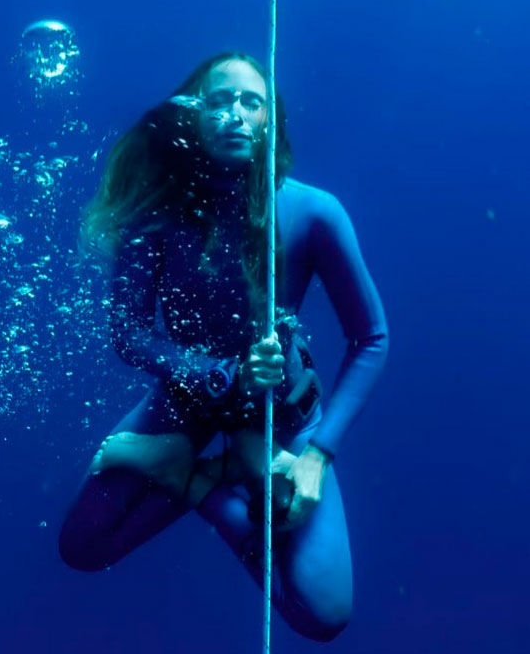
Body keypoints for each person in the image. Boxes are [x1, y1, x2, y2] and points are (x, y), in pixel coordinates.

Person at [58, 52, 388, 642]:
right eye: (218, 101)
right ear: (193, 115)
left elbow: (371, 339)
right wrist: (217, 373)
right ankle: (203, 469)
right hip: (188, 399)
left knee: (324, 615)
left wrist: (318, 456)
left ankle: (201, 478)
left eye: (251, 102)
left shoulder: (313, 212)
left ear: (270, 121)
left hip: (283, 410)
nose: (235, 114)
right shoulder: (154, 212)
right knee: (82, 546)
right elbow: (129, 332)